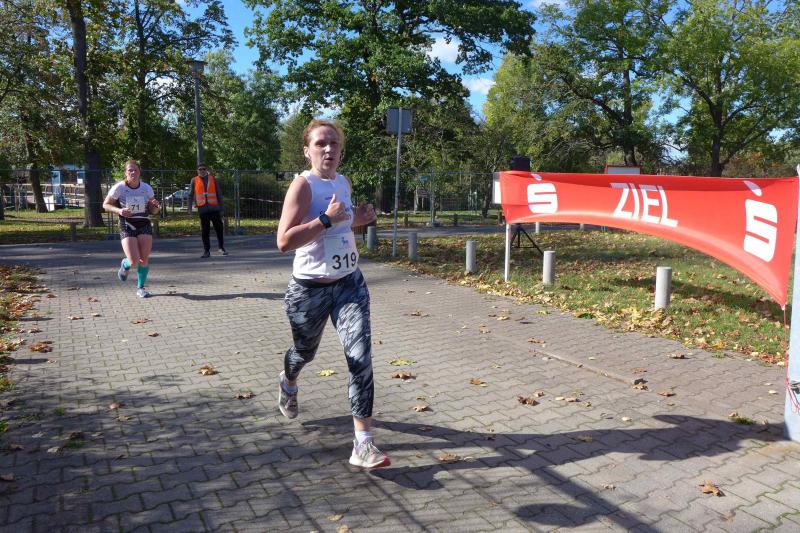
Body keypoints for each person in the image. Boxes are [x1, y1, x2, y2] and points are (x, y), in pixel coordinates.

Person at [276, 119, 388, 469]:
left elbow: (343, 223)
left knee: (360, 357)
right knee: (303, 352)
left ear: (341, 150)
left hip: (349, 284)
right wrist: (325, 219)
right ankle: (288, 381)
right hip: (309, 289)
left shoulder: (344, 182)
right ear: (307, 151)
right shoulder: (302, 186)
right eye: (321, 143)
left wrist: (360, 219)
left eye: (334, 143)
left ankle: (363, 444)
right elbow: (284, 241)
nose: (328, 149)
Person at [103, 160, 160, 298]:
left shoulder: (146, 188)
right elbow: (106, 205)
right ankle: (125, 264)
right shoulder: (119, 187)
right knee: (134, 260)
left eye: (135, 170)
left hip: (143, 223)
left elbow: (153, 210)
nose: (133, 172)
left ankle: (141, 288)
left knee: (144, 259)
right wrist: (119, 211)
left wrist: (156, 207)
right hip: (127, 223)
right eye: (130, 170)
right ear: (126, 173)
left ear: (139, 172)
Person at [188, 164, 227, 258]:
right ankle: (206, 251)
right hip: (203, 209)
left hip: (214, 209)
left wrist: (221, 208)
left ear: (206, 170)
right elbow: (190, 195)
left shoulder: (213, 179)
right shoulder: (194, 180)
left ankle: (221, 248)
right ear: (197, 171)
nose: (202, 171)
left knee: (219, 229)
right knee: (205, 231)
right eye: (200, 169)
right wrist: (189, 208)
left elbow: (219, 194)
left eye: (203, 169)